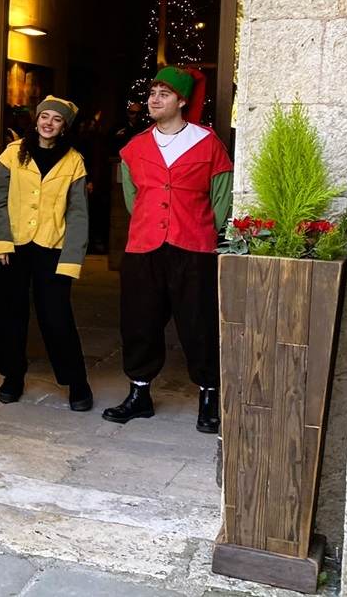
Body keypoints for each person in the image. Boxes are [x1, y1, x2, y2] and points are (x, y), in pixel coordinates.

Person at [101, 66, 233, 434]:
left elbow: (221, 197)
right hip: (144, 246)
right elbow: (133, 198)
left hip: (194, 246)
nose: (153, 99)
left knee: (199, 322)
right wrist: (152, 222)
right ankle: (139, 394)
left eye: (163, 93)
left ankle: (209, 396)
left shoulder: (208, 143)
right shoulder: (134, 147)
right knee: (139, 320)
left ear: (182, 100)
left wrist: (202, 229)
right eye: (152, 92)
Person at [0, 96, 93, 411]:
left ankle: (76, 381)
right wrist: (0, 243)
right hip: (13, 249)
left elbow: (78, 214)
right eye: (44, 116)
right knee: (10, 315)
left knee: (57, 318)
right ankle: (13, 376)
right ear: (36, 120)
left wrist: (72, 259)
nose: (48, 123)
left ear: (64, 127)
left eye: (56, 119)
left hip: (52, 249)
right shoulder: (12, 154)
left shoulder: (74, 161)